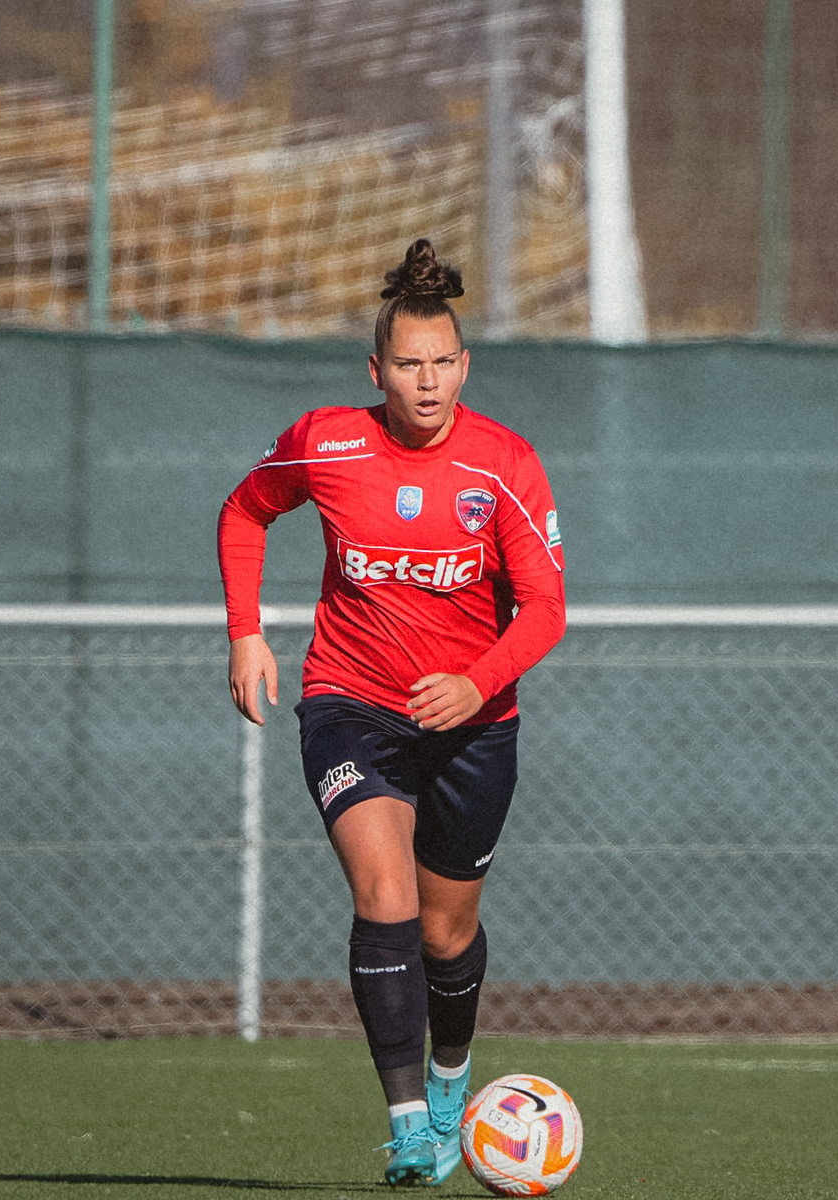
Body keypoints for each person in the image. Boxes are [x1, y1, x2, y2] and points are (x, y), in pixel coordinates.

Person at [217, 239, 566, 1186]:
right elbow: (246, 511)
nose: (425, 381)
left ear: (464, 366)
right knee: (387, 899)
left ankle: (452, 1084)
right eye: (406, 365)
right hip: (350, 704)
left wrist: (477, 680)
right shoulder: (326, 441)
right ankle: (410, 1124)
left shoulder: (504, 467)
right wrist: (247, 633)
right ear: (377, 372)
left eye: (441, 362)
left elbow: (546, 609)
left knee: (448, 934)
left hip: (475, 725)